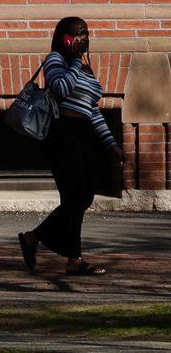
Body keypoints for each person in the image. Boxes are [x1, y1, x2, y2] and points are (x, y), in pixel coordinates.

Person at [19, 16, 125, 276]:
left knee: (81, 197)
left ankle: (40, 241)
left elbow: (93, 110)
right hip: (62, 135)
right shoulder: (57, 60)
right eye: (79, 33)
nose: (84, 38)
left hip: (83, 135)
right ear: (65, 38)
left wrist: (111, 144)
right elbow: (60, 88)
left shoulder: (86, 68)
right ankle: (68, 257)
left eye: (87, 32)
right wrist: (76, 61)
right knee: (76, 198)